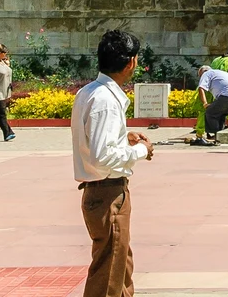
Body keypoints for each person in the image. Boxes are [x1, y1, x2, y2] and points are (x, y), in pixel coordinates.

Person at [71, 29, 153, 297]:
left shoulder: (89, 92)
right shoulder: (105, 100)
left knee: (120, 267)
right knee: (108, 275)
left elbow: (93, 140)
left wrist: (122, 137)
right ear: (131, 62)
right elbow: (102, 157)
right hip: (107, 192)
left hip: (103, 191)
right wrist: (140, 151)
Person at [192, 64, 228, 146]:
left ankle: (214, 136)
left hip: (227, 95)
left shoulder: (206, 74)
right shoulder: (219, 73)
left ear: (202, 73)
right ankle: (219, 136)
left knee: (210, 112)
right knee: (220, 114)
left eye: (200, 76)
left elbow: (201, 88)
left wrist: (205, 103)